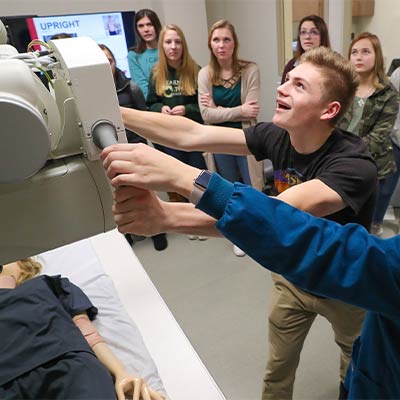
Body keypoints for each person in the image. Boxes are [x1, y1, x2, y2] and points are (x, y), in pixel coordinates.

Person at [101, 47, 378, 399]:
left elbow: (269, 216)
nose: (282, 88)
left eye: (299, 85)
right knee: (277, 371)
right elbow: (191, 135)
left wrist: (167, 213)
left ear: (329, 110)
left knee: (356, 368)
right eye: (286, 79)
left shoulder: (354, 166)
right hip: (292, 276)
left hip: (345, 286)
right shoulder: (277, 135)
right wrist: (111, 112)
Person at [0, 259, 163, 400]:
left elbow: (87, 332)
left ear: (23, 266)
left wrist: (121, 373)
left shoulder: (47, 285)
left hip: (65, 366)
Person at [198, 19, 262, 254]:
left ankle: (257, 228)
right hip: (219, 140)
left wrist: (218, 109)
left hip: (246, 138)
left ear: (234, 43)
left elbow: (252, 110)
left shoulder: (250, 69)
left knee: (251, 185)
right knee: (229, 187)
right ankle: (239, 231)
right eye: (216, 40)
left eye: (226, 39)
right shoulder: (205, 74)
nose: (221, 44)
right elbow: (206, 115)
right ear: (210, 45)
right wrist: (238, 110)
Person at [99, 44, 167, 251]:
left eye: (109, 61)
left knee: (145, 190)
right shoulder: (91, 93)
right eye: (101, 63)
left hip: (134, 147)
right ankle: (128, 233)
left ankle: (158, 232)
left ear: (114, 62)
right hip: (109, 151)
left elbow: (145, 118)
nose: (106, 66)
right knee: (119, 192)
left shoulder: (131, 87)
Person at [338, 32, 399, 236]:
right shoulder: (342, 87)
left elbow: (380, 135)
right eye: (354, 52)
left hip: (372, 163)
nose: (358, 57)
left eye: (365, 52)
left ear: (377, 56)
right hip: (340, 161)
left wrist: (346, 153)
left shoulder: (388, 92)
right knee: (343, 217)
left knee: (369, 222)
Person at [147, 24, 207, 207]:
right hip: (168, 137)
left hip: (192, 136)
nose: (173, 47)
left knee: (197, 175)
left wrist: (186, 109)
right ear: (162, 46)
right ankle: (183, 214)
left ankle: (201, 211)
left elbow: (204, 109)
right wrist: (161, 109)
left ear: (183, 46)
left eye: (177, 42)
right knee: (175, 177)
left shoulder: (196, 70)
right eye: (168, 42)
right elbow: (150, 104)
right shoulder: (156, 73)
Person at [281, 15, 330, 83]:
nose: (307, 37)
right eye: (303, 32)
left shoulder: (331, 65)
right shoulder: (291, 65)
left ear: (323, 36)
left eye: (313, 32)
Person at [128, 9, 162, 99]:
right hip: (152, 105)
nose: (146, 30)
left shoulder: (169, 48)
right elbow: (143, 89)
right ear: (137, 29)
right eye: (141, 26)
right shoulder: (133, 55)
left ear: (156, 26)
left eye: (149, 24)